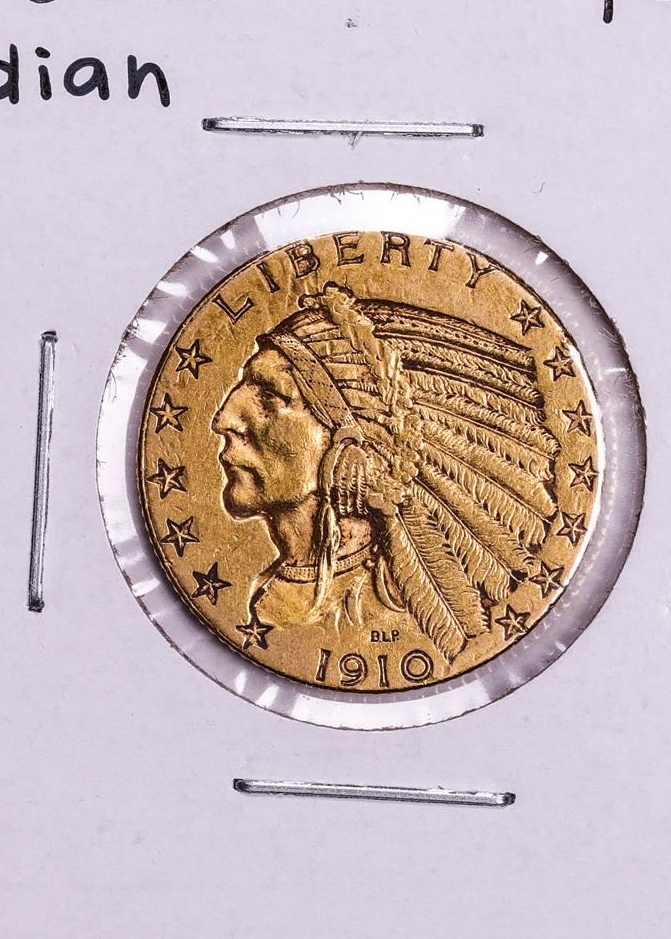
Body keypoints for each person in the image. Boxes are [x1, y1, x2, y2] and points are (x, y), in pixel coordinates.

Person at [211, 283, 561, 667]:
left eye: (269, 396)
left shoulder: (371, 606)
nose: (224, 420)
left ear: (352, 439)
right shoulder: (271, 596)